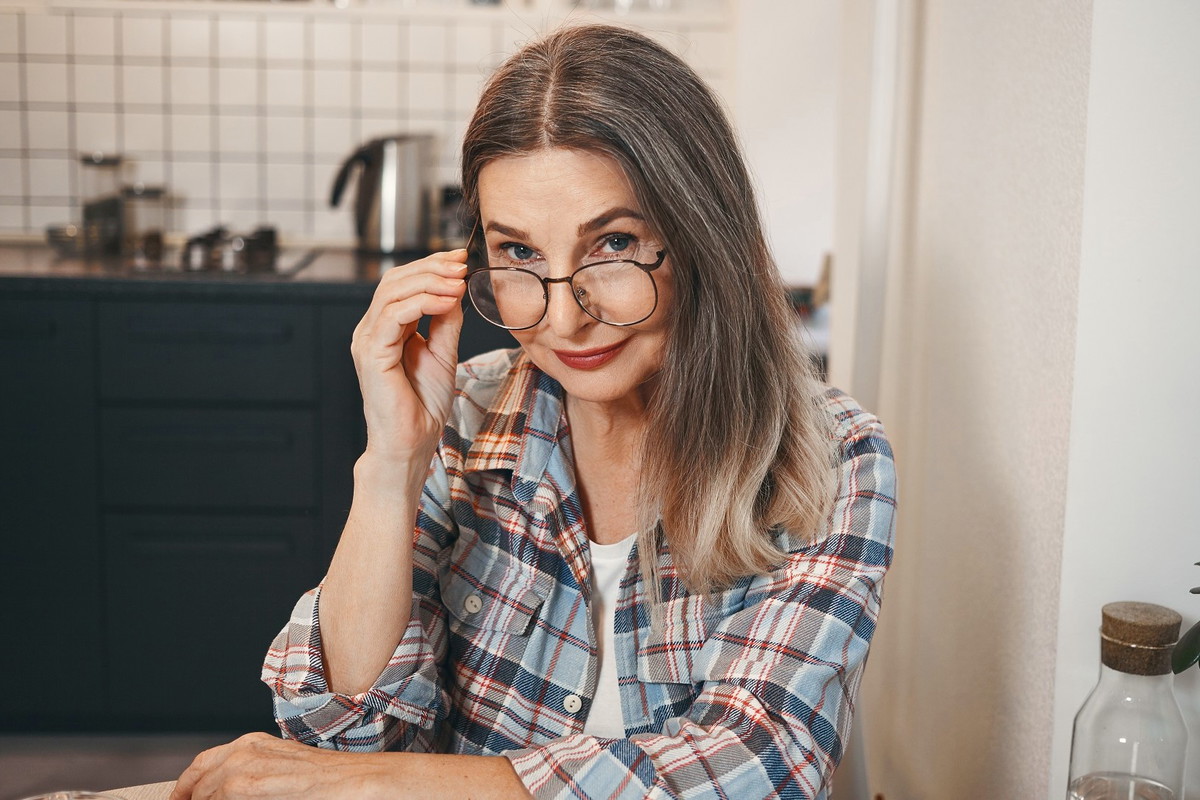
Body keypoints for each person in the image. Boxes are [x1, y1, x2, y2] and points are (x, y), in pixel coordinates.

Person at [171, 23, 895, 800]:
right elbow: (341, 730)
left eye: (613, 244)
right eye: (518, 254)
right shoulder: (466, 411)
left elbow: (758, 767)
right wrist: (391, 466)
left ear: (702, 239)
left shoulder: (830, 457)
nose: (562, 318)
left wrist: (371, 783)